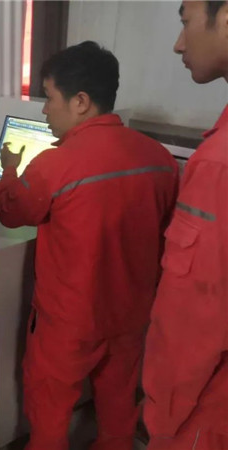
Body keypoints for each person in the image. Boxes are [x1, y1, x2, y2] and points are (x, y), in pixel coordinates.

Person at [0, 41, 179, 450]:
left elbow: (11, 212)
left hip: (68, 324)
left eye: (49, 97)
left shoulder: (54, 164)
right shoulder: (159, 158)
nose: (45, 110)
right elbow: (165, 233)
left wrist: (8, 170)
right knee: (117, 409)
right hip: (130, 316)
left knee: (49, 414)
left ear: (80, 102)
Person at [142, 1, 228, 449]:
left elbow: (192, 320)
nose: (179, 44)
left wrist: (162, 419)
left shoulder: (217, 164)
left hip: (206, 412)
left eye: (186, 22)